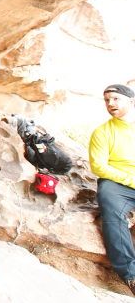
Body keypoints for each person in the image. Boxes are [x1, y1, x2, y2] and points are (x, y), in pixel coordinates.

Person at [89, 84, 135, 295]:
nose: (110, 104)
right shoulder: (102, 132)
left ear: (130, 101)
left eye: (116, 99)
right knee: (111, 210)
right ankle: (130, 275)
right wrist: (129, 180)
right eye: (107, 100)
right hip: (117, 185)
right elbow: (99, 166)